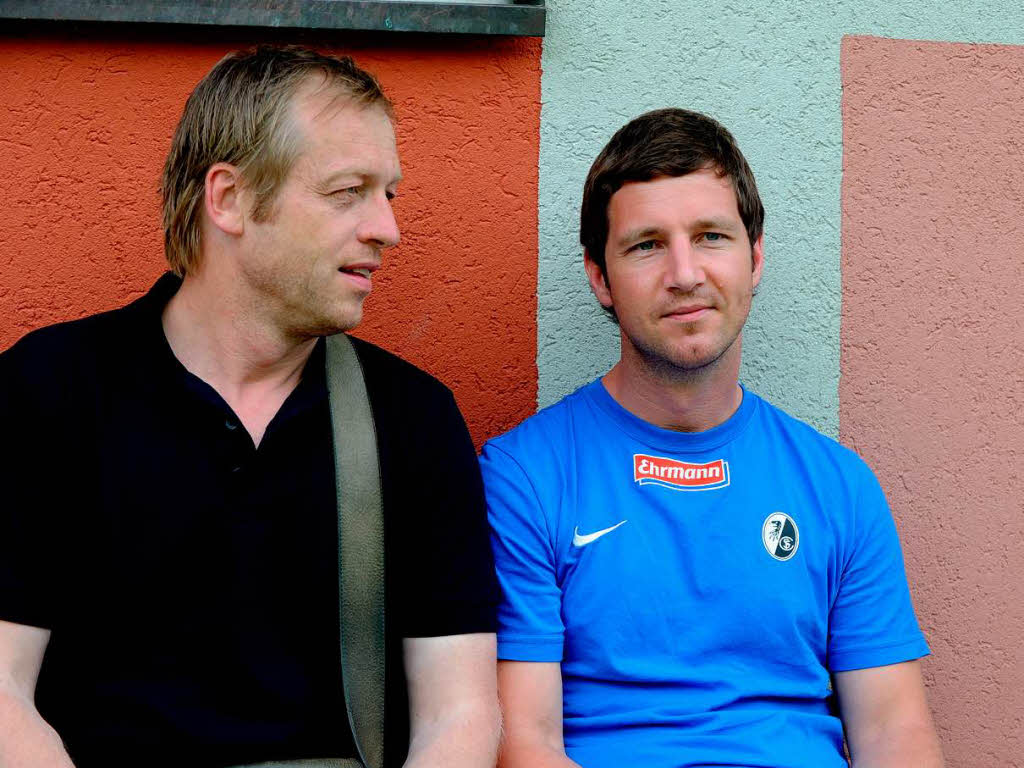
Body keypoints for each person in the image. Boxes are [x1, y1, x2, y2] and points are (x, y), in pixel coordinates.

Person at [0, 46, 500, 768]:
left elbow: (461, 714)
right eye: (348, 191)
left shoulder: (411, 419)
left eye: (388, 193)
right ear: (229, 198)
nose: (387, 228)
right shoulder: (49, 390)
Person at [481, 108, 944, 768]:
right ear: (599, 277)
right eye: (646, 245)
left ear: (754, 258)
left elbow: (895, 735)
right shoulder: (524, 477)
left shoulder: (838, 486)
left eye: (710, 237)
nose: (685, 273)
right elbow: (523, 744)